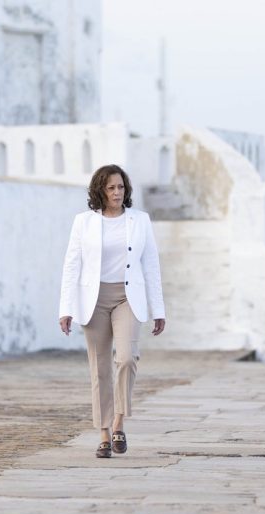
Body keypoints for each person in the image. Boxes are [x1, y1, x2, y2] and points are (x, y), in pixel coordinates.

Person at [58, 164, 166, 458]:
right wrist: (66, 308)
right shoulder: (83, 222)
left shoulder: (140, 221)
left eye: (121, 187)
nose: (117, 193)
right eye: (111, 188)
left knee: (127, 358)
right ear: (100, 191)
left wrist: (159, 309)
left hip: (128, 297)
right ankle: (104, 433)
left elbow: (151, 265)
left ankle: (119, 422)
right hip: (94, 299)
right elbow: (72, 266)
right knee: (100, 369)